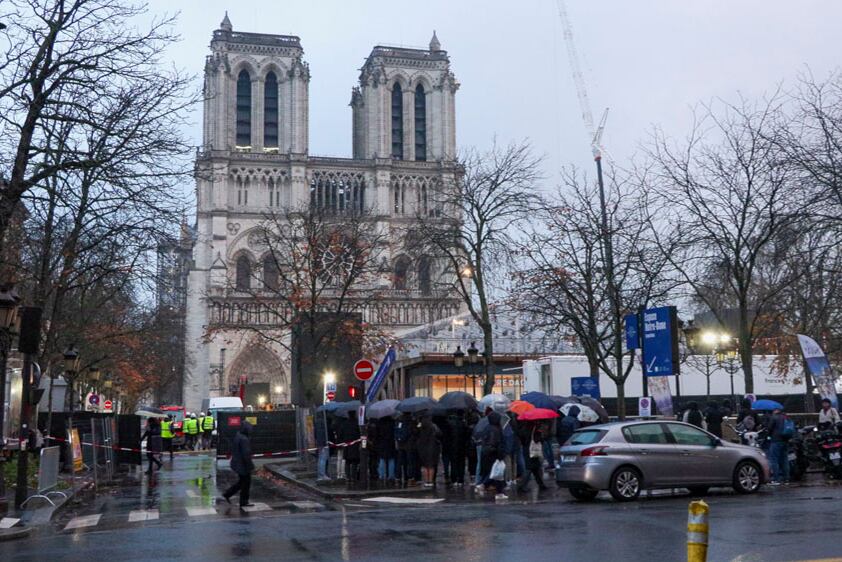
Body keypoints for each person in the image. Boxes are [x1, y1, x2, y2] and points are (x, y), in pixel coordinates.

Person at [222, 421, 255, 507]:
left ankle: (228, 494)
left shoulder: (238, 436)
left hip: (237, 463)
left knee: (242, 482)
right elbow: (246, 454)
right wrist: (250, 466)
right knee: (246, 483)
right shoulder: (244, 439)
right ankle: (243, 501)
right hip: (242, 465)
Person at [480, 412, 507, 501]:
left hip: (488, 453)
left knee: (493, 473)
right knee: (498, 474)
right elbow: (496, 443)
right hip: (494, 454)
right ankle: (499, 492)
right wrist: (500, 454)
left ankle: (485, 485)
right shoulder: (496, 430)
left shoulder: (487, 428)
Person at [517, 421, 548, 493]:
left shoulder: (523, 427)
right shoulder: (535, 428)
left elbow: (521, 436)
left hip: (526, 449)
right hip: (532, 450)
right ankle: (522, 486)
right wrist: (541, 435)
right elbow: (537, 439)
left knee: (535, 467)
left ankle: (541, 485)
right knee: (530, 468)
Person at [766, 407, 792, 485]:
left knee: (774, 459)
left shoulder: (774, 417)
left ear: (775, 411)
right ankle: (786, 479)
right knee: (784, 459)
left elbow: (769, 429)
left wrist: (768, 435)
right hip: (785, 440)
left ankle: (776, 479)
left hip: (776, 440)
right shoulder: (786, 417)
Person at [416, 415, 441, 487]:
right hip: (433, 447)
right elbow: (439, 434)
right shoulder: (433, 426)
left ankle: (426, 480)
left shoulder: (420, 425)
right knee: (431, 465)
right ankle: (430, 481)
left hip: (422, 447)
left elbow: (415, 433)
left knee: (424, 465)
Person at [447, 410, 469, 487]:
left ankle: (454, 479)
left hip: (452, 446)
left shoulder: (449, 423)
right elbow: (467, 435)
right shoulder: (463, 423)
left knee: (453, 463)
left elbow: (447, 436)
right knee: (461, 463)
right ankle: (460, 479)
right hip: (462, 446)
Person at [395, 413, 417, 487]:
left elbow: (396, 431)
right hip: (409, 445)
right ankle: (410, 478)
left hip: (400, 444)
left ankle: (398, 478)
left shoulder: (398, 420)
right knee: (410, 462)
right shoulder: (411, 421)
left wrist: (399, 439)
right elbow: (414, 432)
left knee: (400, 462)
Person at [374, 416, 397, 485]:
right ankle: (391, 477)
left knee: (382, 459)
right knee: (391, 459)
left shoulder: (379, 423)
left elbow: (376, 434)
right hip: (391, 443)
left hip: (382, 443)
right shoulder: (393, 422)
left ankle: (381, 476)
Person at [315, 412, 331, 481]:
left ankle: (320, 474)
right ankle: (322, 475)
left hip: (319, 442)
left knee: (320, 459)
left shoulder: (317, 422)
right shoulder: (323, 423)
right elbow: (324, 433)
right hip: (324, 443)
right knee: (323, 459)